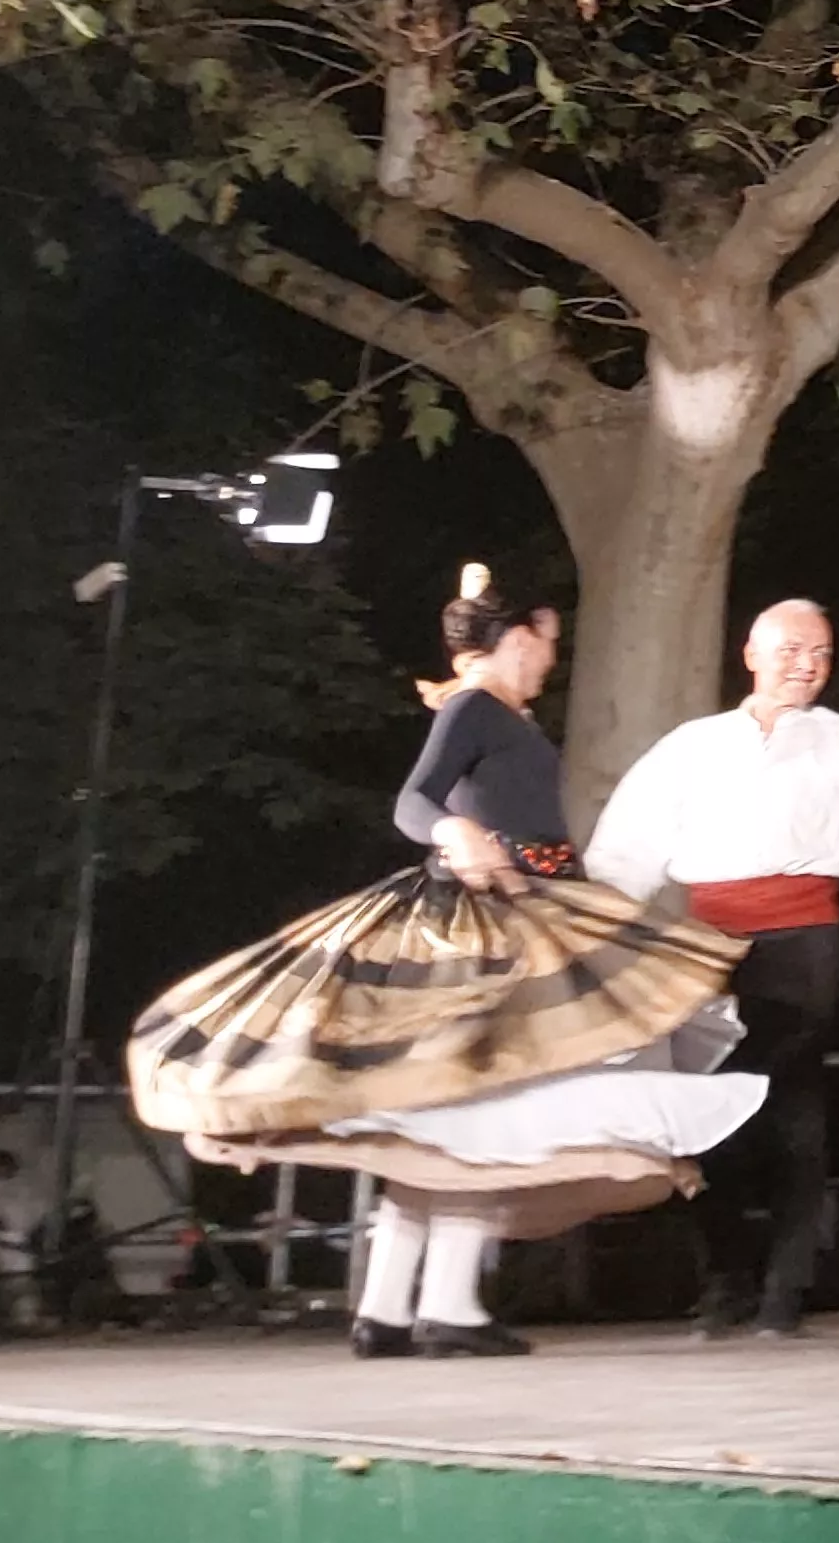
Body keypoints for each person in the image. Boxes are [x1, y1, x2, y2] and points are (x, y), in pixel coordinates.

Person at [129, 567, 762, 1356]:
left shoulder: (498, 713)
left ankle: (389, 1309)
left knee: (450, 1109)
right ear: (520, 636)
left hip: (528, 911)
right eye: (548, 645)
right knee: (486, 1105)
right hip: (488, 924)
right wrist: (454, 833)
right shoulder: (473, 707)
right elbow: (413, 801)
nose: (549, 662)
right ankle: (447, 1308)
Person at [585, 597, 839, 1338]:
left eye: (822, 654)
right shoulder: (692, 747)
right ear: (753, 654)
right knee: (700, 1112)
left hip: (803, 932)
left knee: (788, 1100)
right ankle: (728, 1272)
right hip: (706, 942)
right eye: (794, 650)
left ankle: (785, 1289)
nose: (808, 666)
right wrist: (603, 943)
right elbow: (623, 853)